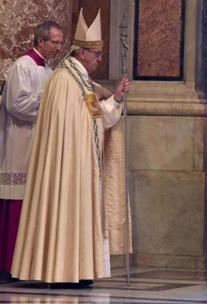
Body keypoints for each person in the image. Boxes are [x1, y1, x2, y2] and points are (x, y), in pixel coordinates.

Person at [10, 9, 130, 286]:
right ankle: (63, 271)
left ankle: (77, 270)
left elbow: (94, 117)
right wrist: (105, 109)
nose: (100, 60)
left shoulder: (79, 80)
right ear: (83, 53)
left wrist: (116, 99)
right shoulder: (65, 80)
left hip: (80, 162)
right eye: (97, 55)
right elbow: (81, 122)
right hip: (67, 165)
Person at [0, 20, 64, 280]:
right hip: (20, 143)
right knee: (17, 202)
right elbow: (16, 104)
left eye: (61, 43)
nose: (59, 47)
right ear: (40, 41)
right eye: (55, 42)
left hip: (38, 142)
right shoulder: (22, 66)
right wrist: (47, 101)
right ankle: (8, 264)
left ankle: (27, 264)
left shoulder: (48, 69)